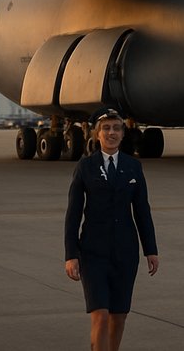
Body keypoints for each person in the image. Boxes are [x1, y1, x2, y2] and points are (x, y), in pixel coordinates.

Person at [65, 110, 159, 351]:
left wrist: (151, 250)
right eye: (106, 128)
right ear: (97, 134)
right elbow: (73, 213)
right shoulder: (85, 167)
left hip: (125, 253)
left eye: (116, 128)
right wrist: (71, 254)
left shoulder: (133, 167)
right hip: (93, 252)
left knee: (119, 316)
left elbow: (142, 211)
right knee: (100, 315)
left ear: (123, 133)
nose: (111, 133)